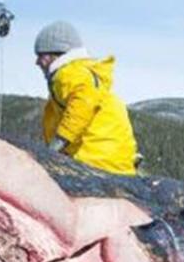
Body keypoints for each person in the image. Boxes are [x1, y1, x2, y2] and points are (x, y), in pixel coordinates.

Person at [33, 21, 139, 176]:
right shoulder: (83, 73)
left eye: (40, 56)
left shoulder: (70, 74)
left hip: (96, 163)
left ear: (56, 54)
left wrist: (57, 145)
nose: (37, 62)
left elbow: (82, 106)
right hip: (112, 161)